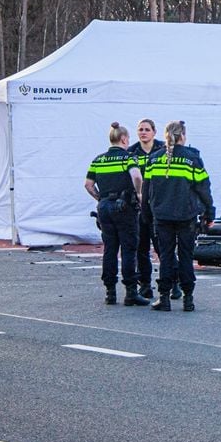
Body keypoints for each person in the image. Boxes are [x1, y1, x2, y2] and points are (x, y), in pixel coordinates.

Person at [144, 120, 214, 312]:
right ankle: (188, 298)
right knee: (186, 256)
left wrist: (146, 214)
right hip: (186, 216)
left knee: (166, 256)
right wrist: (209, 212)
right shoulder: (193, 159)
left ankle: (164, 298)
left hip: (162, 216)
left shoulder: (154, 159)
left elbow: (146, 189)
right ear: (183, 135)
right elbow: (204, 189)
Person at [84, 122, 148, 307]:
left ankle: (110, 292)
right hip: (124, 207)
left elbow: (88, 184)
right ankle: (130, 292)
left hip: (104, 207)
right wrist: (139, 194)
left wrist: (100, 199)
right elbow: (136, 176)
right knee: (128, 249)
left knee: (110, 249)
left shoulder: (98, 160)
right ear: (124, 139)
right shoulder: (128, 158)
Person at [128, 118, 165, 300]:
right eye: (140, 129)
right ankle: (145, 285)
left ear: (154, 132)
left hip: (158, 207)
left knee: (162, 247)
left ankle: (171, 283)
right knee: (141, 248)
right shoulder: (131, 152)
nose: (143, 132)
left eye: (147, 129)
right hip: (138, 209)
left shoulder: (163, 150)